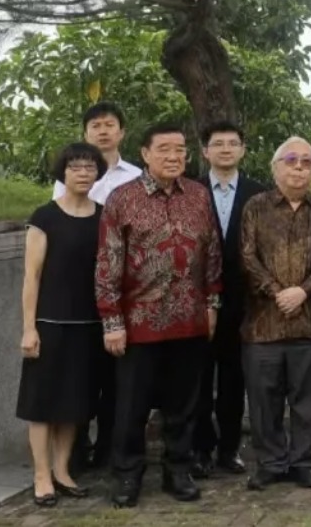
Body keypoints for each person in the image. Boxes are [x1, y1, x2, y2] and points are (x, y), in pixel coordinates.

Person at [95, 123, 222, 508]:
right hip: (139, 325)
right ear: (146, 154)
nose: (173, 156)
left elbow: (212, 254)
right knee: (131, 407)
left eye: (180, 149)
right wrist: (112, 322)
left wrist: (212, 305)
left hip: (190, 321)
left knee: (183, 405)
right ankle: (127, 475)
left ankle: (178, 470)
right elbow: (108, 263)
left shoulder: (198, 195)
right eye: (164, 149)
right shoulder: (122, 198)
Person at [239, 137, 311, 492]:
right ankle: (270, 462)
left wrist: (303, 291)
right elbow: (247, 256)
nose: (298, 167)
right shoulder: (256, 207)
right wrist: (277, 291)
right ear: (275, 168)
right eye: (291, 160)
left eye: (306, 162)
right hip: (263, 323)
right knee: (264, 401)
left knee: (306, 401)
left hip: (308, 322)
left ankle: (303, 462)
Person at [17, 143, 107, 508]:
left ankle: (62, 469)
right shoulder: (45, 217)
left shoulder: (104, 217)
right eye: (75, 167)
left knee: (74, 402)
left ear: (97, 173)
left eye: (89, 167)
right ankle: (41, 475)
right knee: (41, 403)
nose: (83, 173)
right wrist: (29, 328)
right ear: (63, 173)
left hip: (89, 325)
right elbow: (31, 276)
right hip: (49, 323)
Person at [54, 102, 141, 474]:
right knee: (79, 372)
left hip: (124, 287)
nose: (103, 131)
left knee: (116, 375)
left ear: (122, 131)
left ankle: (110, 448)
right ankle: (76, 450)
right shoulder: (68, 177)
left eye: (109, 125)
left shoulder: (136, 176)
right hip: (78, 285)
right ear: (85, 132)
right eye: (95, 125)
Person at [191, 121, 265, 479]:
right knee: (199, 378)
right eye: (217, 143)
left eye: (232, 143)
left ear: (242, 150)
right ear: (205, 151)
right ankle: (201, 448)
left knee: (235, 378)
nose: (225, 149)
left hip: (242, 301)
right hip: (196, 300)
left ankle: (229, 448)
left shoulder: (258, 193)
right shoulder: (190, 191)